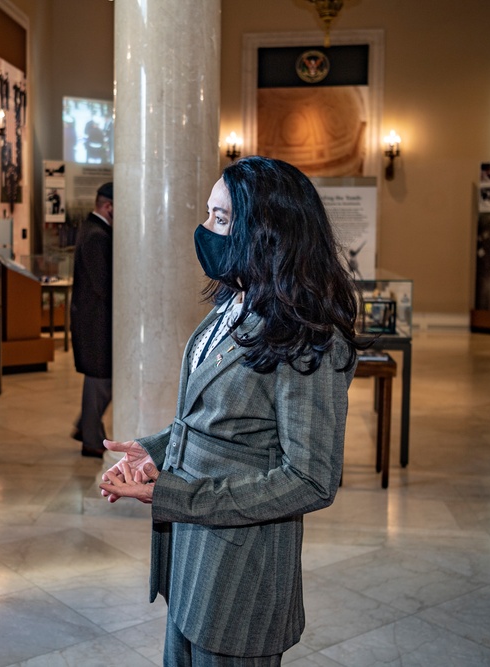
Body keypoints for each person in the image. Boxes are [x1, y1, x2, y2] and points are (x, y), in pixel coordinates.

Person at [98, 157, 360, 666]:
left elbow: (311, 479)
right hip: (191, 556)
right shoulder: (235, 300)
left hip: (243, 572)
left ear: (266, 232)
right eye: (209, 214)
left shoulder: (309, 339)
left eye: (221, 219)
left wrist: (174, 493)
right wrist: (154, 450)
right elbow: (218, 417)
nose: (207, 230)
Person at [70, 182, 113, 457]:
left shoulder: (93, 229)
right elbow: (103, 284)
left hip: (94, 321)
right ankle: (91, 439)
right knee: (101, 380)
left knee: (100, 379)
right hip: (97, 324)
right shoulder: (98, 235)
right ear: (108, 206)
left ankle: (84, 427)